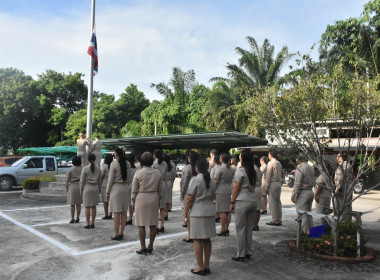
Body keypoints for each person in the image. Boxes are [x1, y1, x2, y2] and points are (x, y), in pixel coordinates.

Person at [184, 158, 216, 276]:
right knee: (207, 239)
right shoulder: (211, 181)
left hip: (198, 212)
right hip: (209, 211)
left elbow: (190, 199)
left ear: (197, 168)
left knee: (197, 239)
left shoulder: (195, 180)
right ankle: (206, 266)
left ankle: (200, 267)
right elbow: (213, 196)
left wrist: (185, 214)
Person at [132, 152, 162, 255]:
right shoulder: (157, 173)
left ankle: (142, 247)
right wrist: (159, 199)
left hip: (141, 198)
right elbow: (160, 189)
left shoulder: (138, 173)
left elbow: (134, 190)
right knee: (153, 224)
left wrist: (133, 202)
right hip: (154, 197)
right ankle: (150, 246)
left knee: (141, 224)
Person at [230, 150, 257, 261]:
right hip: (252, 200)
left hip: (242, 200)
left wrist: (232, 202)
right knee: (248, 229)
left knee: (240, 228)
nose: (239, 158)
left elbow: (236, 188)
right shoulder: (253, 170)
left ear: (243, 158)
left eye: (240, 156)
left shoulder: (240, 170)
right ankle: (248, 251)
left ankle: (240, 254)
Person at [106, 148, 131, 240]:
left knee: (116, 212)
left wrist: (107, 191)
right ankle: (121, 233)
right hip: (125, 187)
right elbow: (128, 178)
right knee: (124, 212)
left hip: (116, 188)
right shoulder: (127, 163)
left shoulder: (114, 164)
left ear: (116, 154)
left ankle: (116, 233)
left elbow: (110, 179)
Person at [291, 155, 315, 234]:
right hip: (310, 191)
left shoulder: (301, 167)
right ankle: (311, 233)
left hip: (303, 192)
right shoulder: (310, 167)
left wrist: (294, 194)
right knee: (308, 214)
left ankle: (303, 233)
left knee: (301, 215)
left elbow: (297, 182)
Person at [214, 153, 235, 236]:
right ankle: (227, 228)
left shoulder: (220, 168)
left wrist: (213, 190)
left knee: (222, 211)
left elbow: (216, 181)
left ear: (222, 159)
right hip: (229, 190)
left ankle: (222, 229)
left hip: (221, 190)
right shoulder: (231, 169)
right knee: (228, 211)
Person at [181, 151, 199, 242]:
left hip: (188, 192)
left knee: (187, 214)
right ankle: (196, 233)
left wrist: (181, 193)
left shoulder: (187, 168)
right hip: (198, 193)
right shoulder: (200, 168)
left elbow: (184, 182)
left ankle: (190, 235)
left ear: (189, 159)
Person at [80, 153, 101, 229]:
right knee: (94, 206)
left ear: (87, 159)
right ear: (95, 159)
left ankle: (87, 223)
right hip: (95, 188)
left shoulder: (85, 169)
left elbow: (82, 181)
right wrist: (99, 189)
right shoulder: (98, 169)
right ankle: (93, 223)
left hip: (87, 188)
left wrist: (81, 189)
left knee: (87, 207)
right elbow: (99, 181)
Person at [264, 150, 283, 226]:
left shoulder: (271, 163)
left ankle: (275, 220)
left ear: (271, 155)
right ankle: (279, 219)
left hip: (273, 183)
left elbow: (268, 176)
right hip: (278, 183)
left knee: (273, 203)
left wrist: (266, 186)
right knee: (278, 202)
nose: (268, 156)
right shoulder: (279, 163)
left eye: (268, 154)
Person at [152, 149, 168, 233]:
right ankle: (162, 225)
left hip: (157, 185)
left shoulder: (154, 163)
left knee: (156, 207)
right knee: (162, 206)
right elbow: (165, 175)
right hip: (164, 184)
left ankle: (156, 226)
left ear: (155, 155)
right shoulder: (164, 163)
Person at [334, 153, 353, 221]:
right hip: (348, 187)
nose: (337, 157)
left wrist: (338, 189)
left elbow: (340, 178)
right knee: (348, 206)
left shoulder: (342, 166)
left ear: (341, 157)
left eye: (338, 156)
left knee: (341, 206)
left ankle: (342, 223)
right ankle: (348, 222)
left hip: (342, 188)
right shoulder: (349, 165)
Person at [66, 156, 82, 223]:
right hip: (80, 186)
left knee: (72, 204)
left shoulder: (70, 169)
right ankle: (78, 217)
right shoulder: (82, 169)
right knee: (78, 203)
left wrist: (67, 187)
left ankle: (72, 218)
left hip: (72, 186)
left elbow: (67, 180)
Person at [100, 153, 113, 220]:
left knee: (105, 200)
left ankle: (106, 214)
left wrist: (100, 184)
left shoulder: (104, 166)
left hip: (105, 183)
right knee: (111, 200)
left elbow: (101, 176)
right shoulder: (113, 165)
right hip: (112, 184)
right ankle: (111, 213)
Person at [163, 154, 176, 220]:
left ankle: (162, 213)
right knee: (168, 199)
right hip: (169, 182)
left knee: (163, 199)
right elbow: (174, 175)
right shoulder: (173, 165)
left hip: (163, 182)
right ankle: (167, 213)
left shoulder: (162, 165)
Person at [252, 155, 263, 231]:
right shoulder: (259, 170)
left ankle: (254, 225)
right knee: (258, 209)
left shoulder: (253, 169)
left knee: (254, 209)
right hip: (259, 188)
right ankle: (256, 224)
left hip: (254, 189)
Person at [126, 153, 137, 225]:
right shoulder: (135, 168)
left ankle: (129, 218)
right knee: (132, 202)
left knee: (127, 203)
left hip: (128, 185)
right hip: (134, 186)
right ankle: (130, 217)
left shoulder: (128, 168)